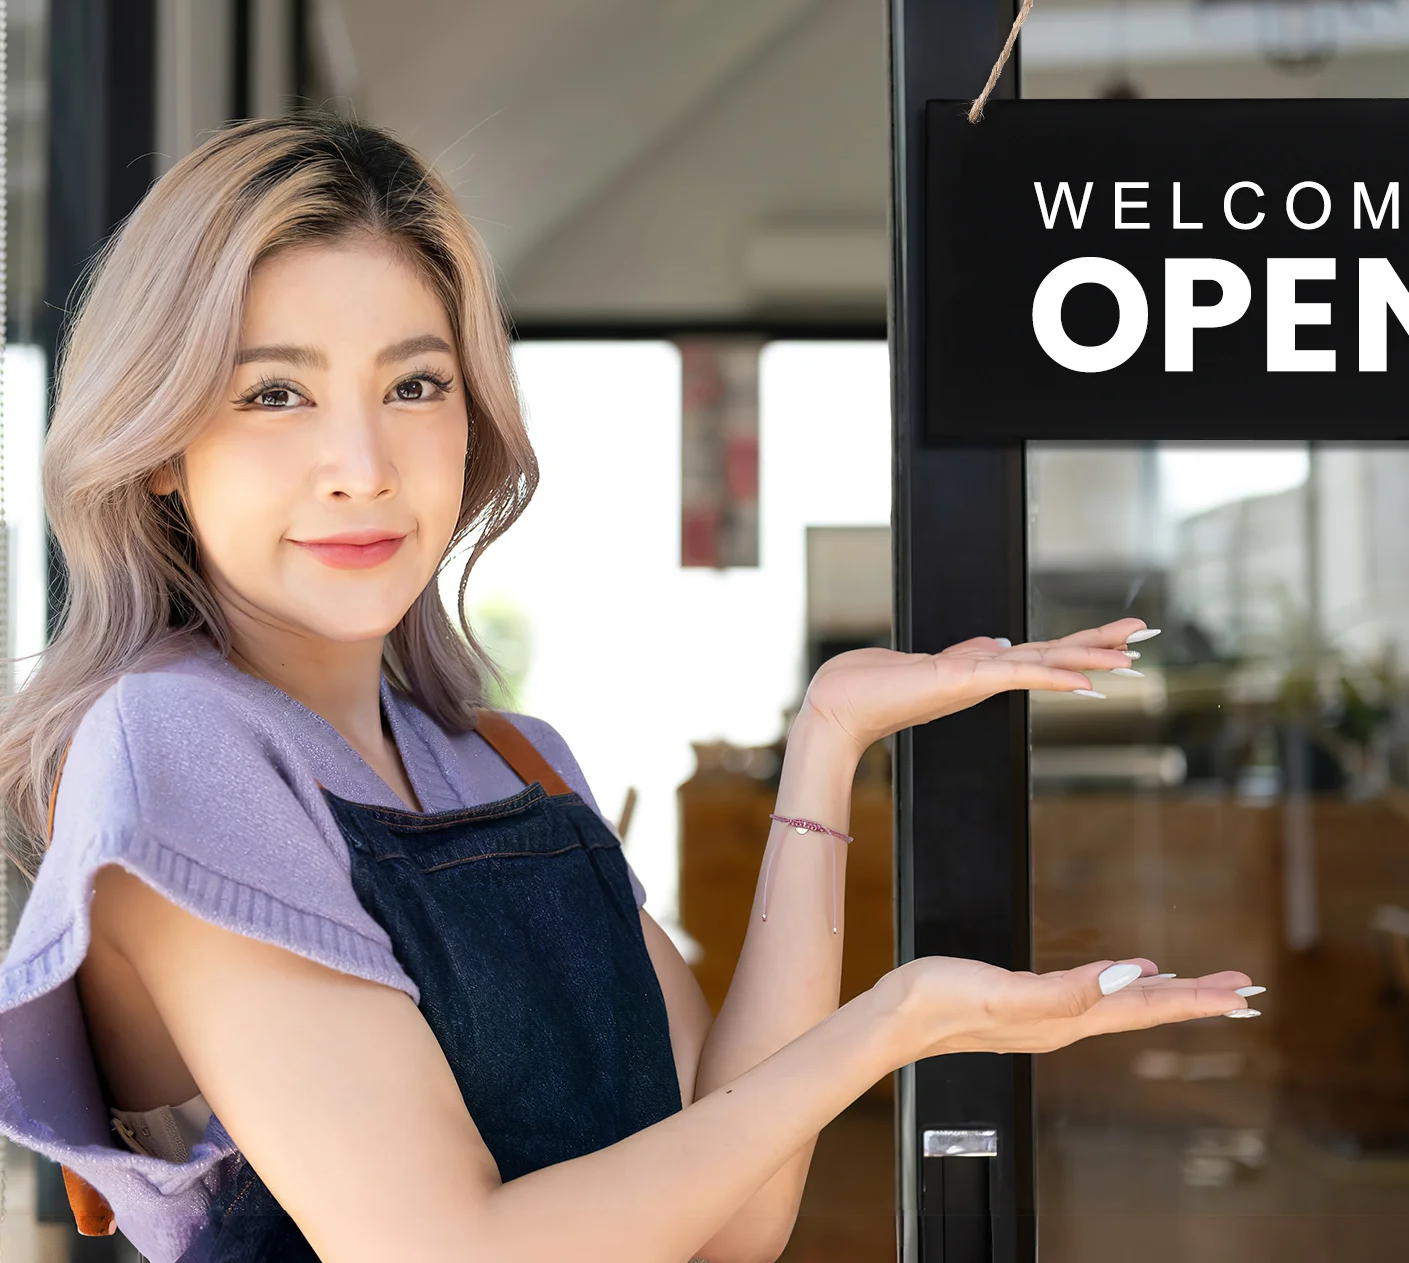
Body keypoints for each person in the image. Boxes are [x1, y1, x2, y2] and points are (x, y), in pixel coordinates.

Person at [0, 118, 1259, 1263]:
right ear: (162, 448)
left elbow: (735, 1211)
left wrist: (829, 738)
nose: (361, 465)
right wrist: (891, 1024)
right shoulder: (171, 745)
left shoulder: (508, 762)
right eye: (275, 393)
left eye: (413, 384)